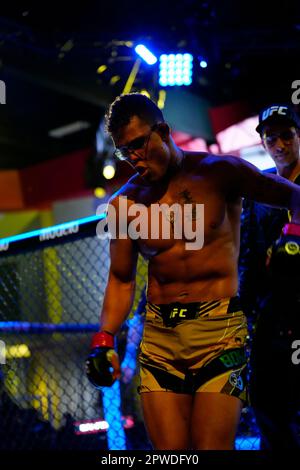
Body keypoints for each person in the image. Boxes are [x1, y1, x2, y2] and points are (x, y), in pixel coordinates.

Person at [86, 93, 300, 450]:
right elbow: (122, 280)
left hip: (218, 332)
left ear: (164, 131)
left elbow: (296, 196)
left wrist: (293, 234)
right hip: (159, 340)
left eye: (139, 144)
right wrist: (104, 338)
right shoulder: (123, 205)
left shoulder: (220, 173)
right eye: (125, 151)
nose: (134, 157)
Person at [239, 104, 300, 449]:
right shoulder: (259, 189)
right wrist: (243, 312)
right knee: (265, 402)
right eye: (270, 137)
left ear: (299, 136)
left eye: (286, 135)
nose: (279, 144)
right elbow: (248, 254)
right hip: (272, 317)